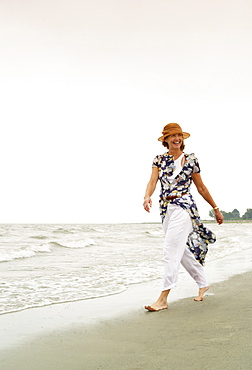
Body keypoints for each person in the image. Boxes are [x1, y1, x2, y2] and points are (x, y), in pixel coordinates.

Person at [143, 123, 224, 312]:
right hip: (166, 209)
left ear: (183, 139)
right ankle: (203, 283)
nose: (176, 138)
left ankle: (163, 298)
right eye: (172, 136)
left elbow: (201, 188)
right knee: (181, 251)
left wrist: (216, 208)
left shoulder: (191, 160)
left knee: (170, 251)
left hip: (184, 207)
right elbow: (152, 181)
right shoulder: (158, 160)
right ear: (165, 139)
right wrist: (147, 196)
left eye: (179, 135)